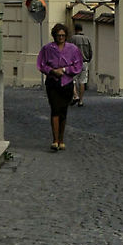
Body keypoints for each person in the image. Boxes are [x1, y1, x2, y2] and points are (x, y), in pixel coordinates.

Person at [36, 23, 82, 151]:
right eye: (58, 35)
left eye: (62, 35)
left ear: (66, 36)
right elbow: (41, 64)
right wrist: (52, 71)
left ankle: (61, 139)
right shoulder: (47, 48)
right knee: (55, 109)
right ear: (54, 36)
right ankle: (55, 140)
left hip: (66, 83)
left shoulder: (73, 49)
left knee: (63, 111)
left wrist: (65, 69)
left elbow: (78, 66)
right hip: (52, 83)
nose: (60, 37)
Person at [70, 21, 93, 107]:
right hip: (84, 62)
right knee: (82, 82)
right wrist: (88, 59)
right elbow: (91, 51)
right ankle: (81, 101)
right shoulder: (87, 39)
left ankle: (75, 96)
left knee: (71, 80)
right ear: (81, 29)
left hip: (75, 63)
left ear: (75, 29)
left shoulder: (73, 39)